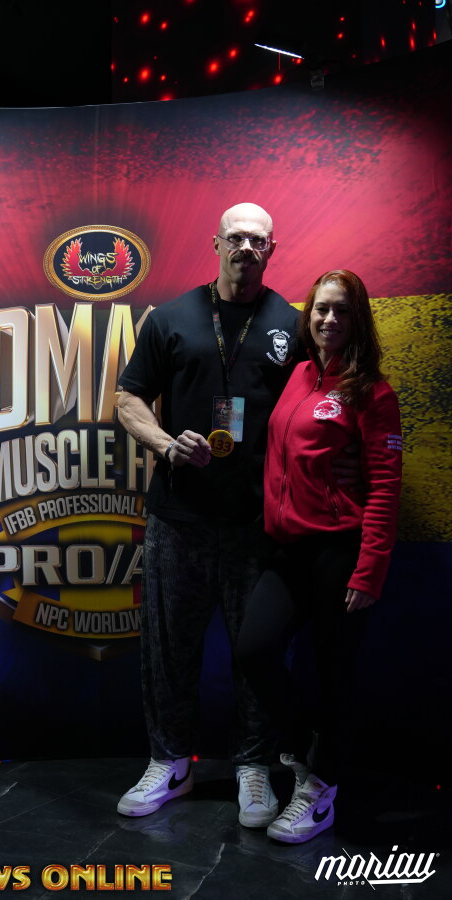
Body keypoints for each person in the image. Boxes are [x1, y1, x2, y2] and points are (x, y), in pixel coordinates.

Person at [115, 202, 304, 823]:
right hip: (179, 517)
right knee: (168, 648)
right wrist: (166, 444)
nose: (246, 247)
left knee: (257, 651)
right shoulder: (172, 317)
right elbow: (127, 398)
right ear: (216, 244)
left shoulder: (292, 324)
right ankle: (170, 763)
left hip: (258, 521)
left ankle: (254, 768)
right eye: (236, 237)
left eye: (258, 240)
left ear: (271, 249)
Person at [236, 269, 402, 844]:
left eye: (342, 310)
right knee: (254, 650)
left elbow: (385, 487)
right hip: (288, 551)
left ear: (359, 320)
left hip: (341, 551)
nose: (329, 319)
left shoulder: (372, 393)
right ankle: (309, 750)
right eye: (321, 309)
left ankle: (321, 792)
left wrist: (369, 571)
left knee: (334, 674)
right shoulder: (300, 375)